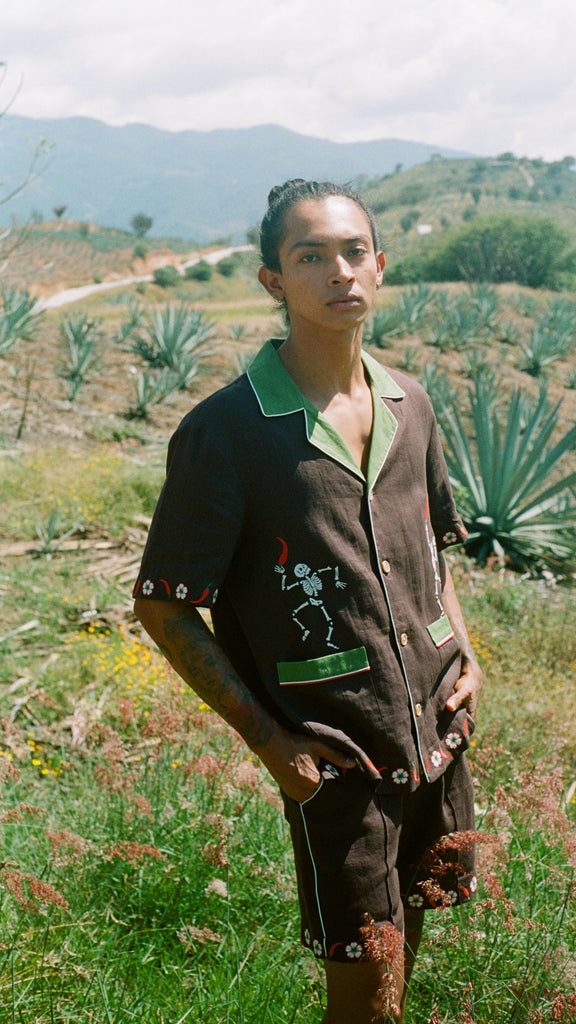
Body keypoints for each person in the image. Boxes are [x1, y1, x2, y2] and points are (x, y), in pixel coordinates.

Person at [133, 179, 483, 1024]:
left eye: (353, 251)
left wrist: (468, 653)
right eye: (309, 256)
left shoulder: (411, 403)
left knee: (411, 940)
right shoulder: (229, 432)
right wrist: (268, 740)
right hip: (334, 750)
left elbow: (430, 551)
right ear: (271, 281)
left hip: (435, 726)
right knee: (362, 989)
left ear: (380, 265)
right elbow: (164, 603)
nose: (338, 271)